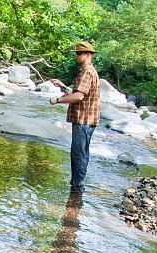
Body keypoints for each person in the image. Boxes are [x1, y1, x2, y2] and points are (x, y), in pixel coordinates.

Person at [48, 42, 100, 193]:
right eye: (76, 53)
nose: (77, 56)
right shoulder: (87, 71)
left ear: (88, 55)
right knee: (80, 152)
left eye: (80, 53)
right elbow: (76, 92)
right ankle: (76, 186)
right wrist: (63, 87)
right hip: (85, 119)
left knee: (79, 154)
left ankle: (77, 188)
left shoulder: (87, 72)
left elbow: (78, 96)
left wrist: (57, 100)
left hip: (84, 119)